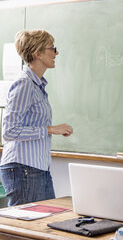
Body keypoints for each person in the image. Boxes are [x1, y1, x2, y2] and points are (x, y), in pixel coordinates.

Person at [0, 29, 73, 206]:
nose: (56, 53)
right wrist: (50, 129)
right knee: (26, 229)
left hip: (38, 168)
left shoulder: (37, 85)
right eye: (52, 48)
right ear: (38, 53)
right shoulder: (24, 84)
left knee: (48, 220)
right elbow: (9, 131)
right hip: (23, 168)